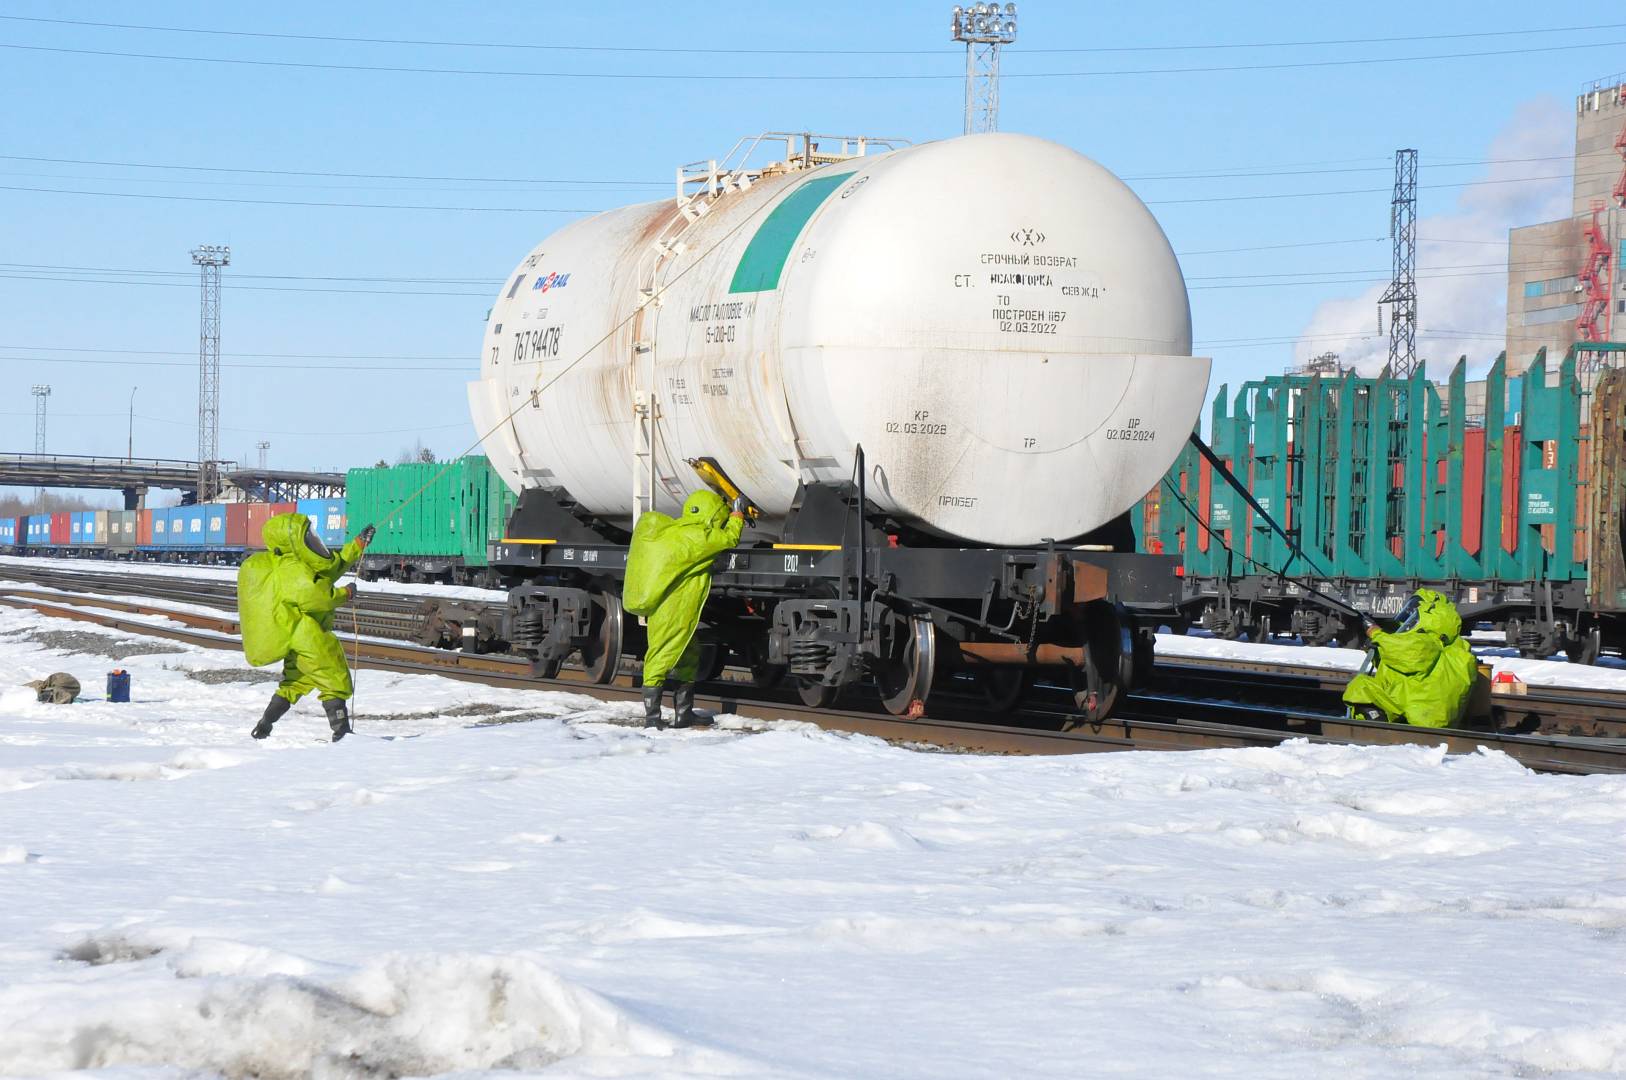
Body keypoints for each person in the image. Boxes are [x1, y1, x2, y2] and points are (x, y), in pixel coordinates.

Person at [237, 513, 371, 741]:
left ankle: (264, 725)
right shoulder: (291, 568)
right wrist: (345, 594)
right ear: (292, 540)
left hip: (293, 635)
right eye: (307, 535)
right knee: (334, 677)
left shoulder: (297, 562)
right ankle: (343, 735)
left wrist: (357, 544)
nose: (313, 539)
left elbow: (329, 568)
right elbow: (317, 596)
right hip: (305, 634)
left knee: (295, 682)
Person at [623, 490, 746, 728]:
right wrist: (737, 513)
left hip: (671, 608)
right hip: (677, 610)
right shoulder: (698, 536)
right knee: (661, 657)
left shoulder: (676, 532)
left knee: (689, 655)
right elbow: (729, 538)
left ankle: (684, 713)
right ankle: (652, 719)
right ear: (712, 513)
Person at [1342, 588, 1476, 729]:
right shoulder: (1449, 644)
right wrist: (1375, 647)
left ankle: (1376, 723)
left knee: (1360, 686)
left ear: (1429, 614)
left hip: (1422, 714)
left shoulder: (1427, 641)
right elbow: (1393, 664)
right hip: (1430, 711)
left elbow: (1403, 652)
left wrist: (1376, 633)